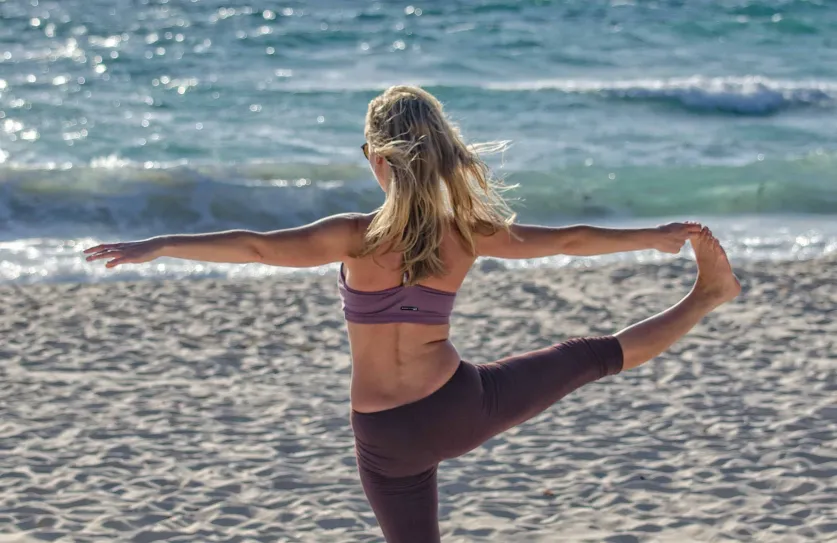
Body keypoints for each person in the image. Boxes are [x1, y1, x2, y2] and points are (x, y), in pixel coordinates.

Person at [84, 85, 741, 542]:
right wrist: (651, 235)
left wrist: (160, 244)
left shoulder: (351, 236)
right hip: (460, 406)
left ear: (376, 159)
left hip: (384, 437)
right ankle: (706, 296)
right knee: (593, 355)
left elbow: (256, 246)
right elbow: (567, 240)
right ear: (443, 156)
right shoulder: (467, 233)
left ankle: (708, 294)